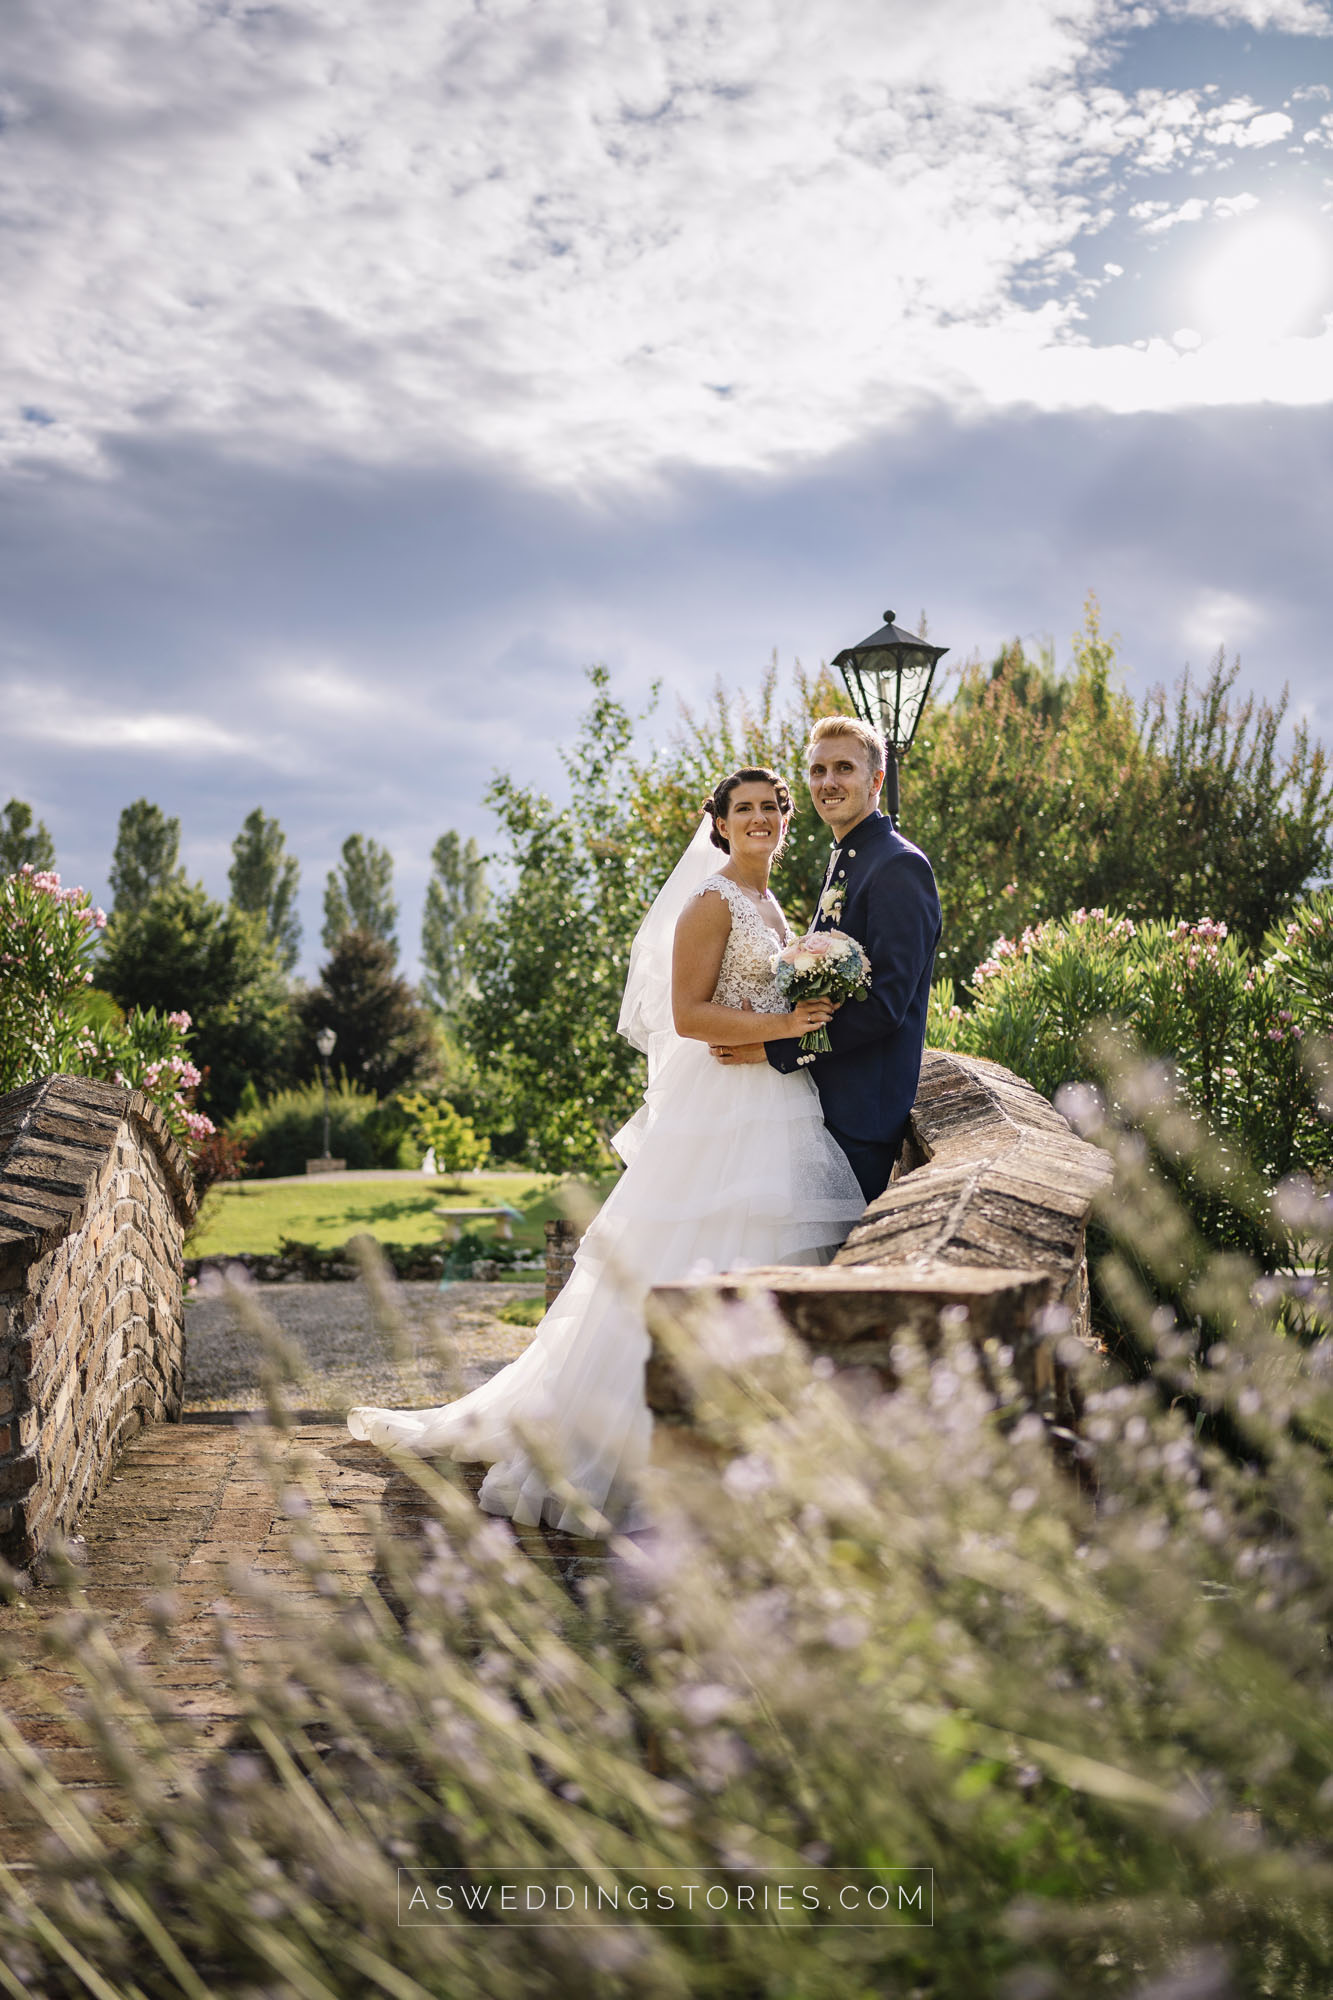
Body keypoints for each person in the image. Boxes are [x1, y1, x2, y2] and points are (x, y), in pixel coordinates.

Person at [346, 768, 865, 1536]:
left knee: (764, 1268)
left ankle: (749, 1445)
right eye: (743, 809)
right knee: (687, 1262)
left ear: (785, 822)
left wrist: (792, 1025)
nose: (758, 819)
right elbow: (690, 1017)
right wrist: (785, 1030)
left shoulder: (772, 904)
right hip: (722, 1114)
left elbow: (752, 1003)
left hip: (774, 1094)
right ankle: (636, 1444)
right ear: (717, 824)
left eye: (770, 808)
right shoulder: (710, 900)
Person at [709, 716, 942, 1205]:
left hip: (861, 1115)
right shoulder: (849, 857)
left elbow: (884, 1008)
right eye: (817, 771)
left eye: (843, 769)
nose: (827, 783)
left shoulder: (898, 866)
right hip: (826, 1105)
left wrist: (776, 1052)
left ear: (877, 780)